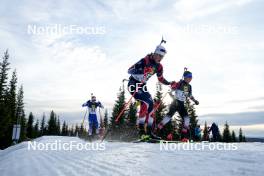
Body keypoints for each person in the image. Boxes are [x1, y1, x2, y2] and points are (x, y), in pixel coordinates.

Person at [127, 44, 175, 139]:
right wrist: (142, 70)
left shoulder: (159, 67)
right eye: (159, 55)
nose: (160, 58)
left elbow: (160, 79)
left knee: (151, 106)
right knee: (146, 102)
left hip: (142, 86)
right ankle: (141, 132)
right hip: (133, 84)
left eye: (162, 57)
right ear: (155, 53)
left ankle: (149, 132)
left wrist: (169, 83)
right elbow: (129, 70)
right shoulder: (145, 60)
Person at [157, 69, 199, 140]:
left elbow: (189, 95)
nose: (190, 79)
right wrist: (173, 87)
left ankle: (183, 137)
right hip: (175, 103)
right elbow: (170, 91)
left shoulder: (189, 87)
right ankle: (156, 131)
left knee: (187, 119)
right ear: (185, 77)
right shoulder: (179, 83)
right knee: (168, 117)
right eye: (189, 77)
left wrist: (195, 101)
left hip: (181, 105)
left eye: (191, 77)